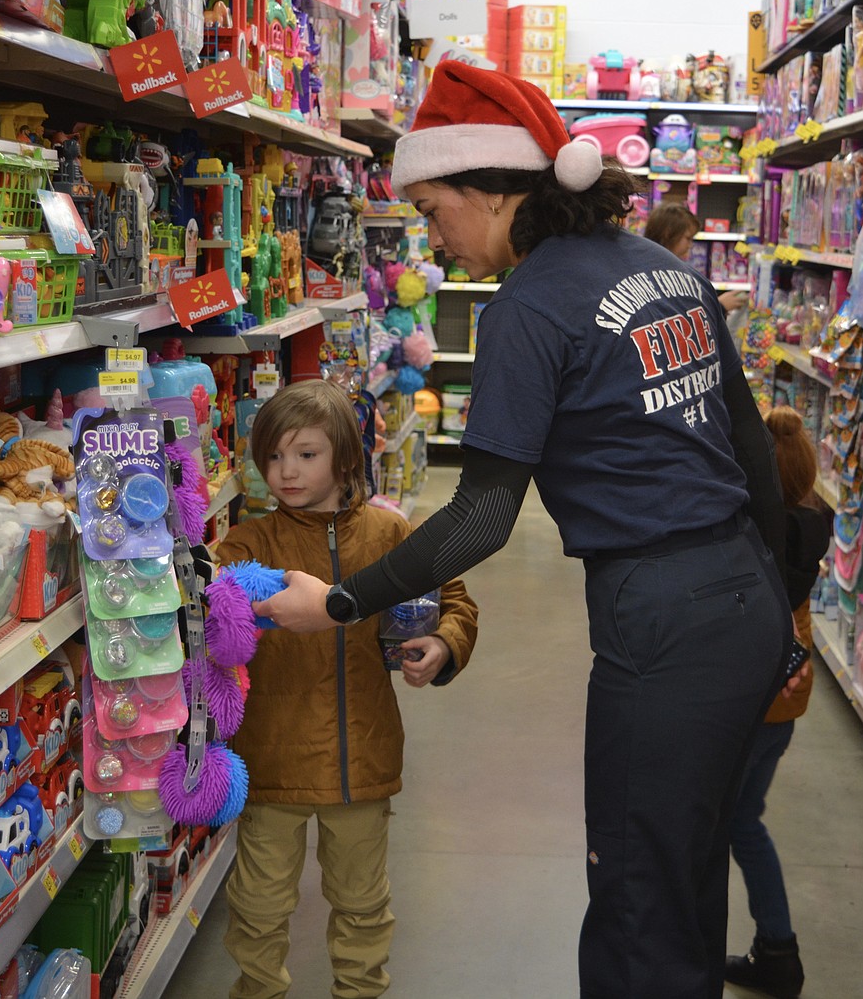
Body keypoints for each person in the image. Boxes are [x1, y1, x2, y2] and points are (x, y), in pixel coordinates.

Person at [255, 61, 800, 999]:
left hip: (660, 618)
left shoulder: (531, 305)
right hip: (743, 598)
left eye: (433, 210)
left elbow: (483, 513)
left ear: (490, 188)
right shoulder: (665, 267)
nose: (432, 238)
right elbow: (751, 452)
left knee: (634, 892)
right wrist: (783, 605)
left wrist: (343, 599)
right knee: (685, 869)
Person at [216, 379, 478, 999]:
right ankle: (258, 990)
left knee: (362, 902)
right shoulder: (250, 544)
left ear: (345, 457)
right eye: (274, 457)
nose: (286, 471)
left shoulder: (391, 538)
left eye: (306, 455)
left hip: (363, 755)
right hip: (271, 758)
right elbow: (210, 611)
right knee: (258, 904)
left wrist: (442, 645)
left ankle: (360, 991)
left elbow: (457, 602)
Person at [725, 406, 831, 999]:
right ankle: (777, 950)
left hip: (755, 694)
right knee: (745, 816)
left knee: (731, 819)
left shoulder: (761, 535)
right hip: (787, 699)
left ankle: (779, 951)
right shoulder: (812, 519)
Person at [645, 201, 749, 314]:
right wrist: (719, 307)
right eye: (688, 238)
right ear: (668, 234)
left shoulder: (667, 267)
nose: (690, 245)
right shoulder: (655, 275)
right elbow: (676, 318)